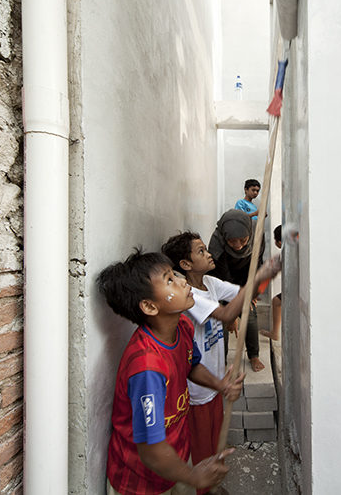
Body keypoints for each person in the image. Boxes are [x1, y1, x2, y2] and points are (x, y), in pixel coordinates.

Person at [96, 249, 246, 495]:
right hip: (141, 482)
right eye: (169, 280)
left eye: (175, 274)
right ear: (149, 306)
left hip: (175, 462)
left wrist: (221, 386)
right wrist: (194, 476)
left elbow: (192, 365)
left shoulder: (182, 325)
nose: (182, 281)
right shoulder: (147, 369)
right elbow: (152, 452)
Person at [161, 232, 280, 495]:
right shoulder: (189, 295)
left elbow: (244, 295)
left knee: (217, 441)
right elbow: (227, 311)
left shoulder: (210, 283)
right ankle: (205, 489)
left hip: (216, 383)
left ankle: (213, 486)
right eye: (201, 251)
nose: (209, 254)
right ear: (185, 265)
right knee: (203, 449)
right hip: (198, 391)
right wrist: (259, 276)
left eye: (206, 249)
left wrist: (264, 278)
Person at [208, 209, 266, 372]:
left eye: (243, 239)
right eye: (232, 241)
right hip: (222, 279)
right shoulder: (216, 242)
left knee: (250, 314)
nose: (239, 245)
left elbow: (258, 261)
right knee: (224, 319)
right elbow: (222, 276)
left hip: (246, 276)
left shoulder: (258, 232)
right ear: (225, 237)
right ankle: (223, 360)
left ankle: (254, 355)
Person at [260, 225, 282, 341]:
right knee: (276, 301)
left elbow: (267, 276)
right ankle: (275, 332)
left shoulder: (283, 255)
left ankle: (275, 332)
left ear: (279, 241)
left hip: (297, 289)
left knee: (276, 301)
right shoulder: (288, 252)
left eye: (275, 240)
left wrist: (259, 291)